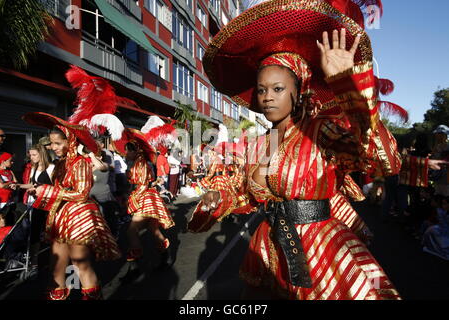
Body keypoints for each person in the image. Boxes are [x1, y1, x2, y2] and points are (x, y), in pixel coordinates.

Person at [187, 0, 411, 300]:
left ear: (300, 89)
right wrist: (216, 197)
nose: (267, 97)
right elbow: (240, 190)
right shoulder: (257, 145)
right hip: (268, 249)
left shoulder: (321, 132)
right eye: (262, 89)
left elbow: (383, 160)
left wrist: (347, 85)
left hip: (321, 252)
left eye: (278, 89)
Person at [23, 112, 121, 300]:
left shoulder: (81, 164)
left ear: (70, 142)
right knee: (56, 265)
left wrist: (47, 191)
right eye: (51, 143)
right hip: (60, 216)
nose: (53, 147)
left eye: (58, 143)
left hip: (79, 217)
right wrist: (39, 190)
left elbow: (82, 194)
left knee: (79, 263)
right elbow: (56, 189)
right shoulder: (60, 164)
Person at [116, 128, 175, 268]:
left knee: (131, 231)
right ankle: (164, 257)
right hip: (148, 197)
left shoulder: (140, 164)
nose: (126, 153)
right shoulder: (139, 162)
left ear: (136, 150)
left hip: (144, 198)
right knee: (153, 230)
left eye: (128, 150)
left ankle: (136, 265)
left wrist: (132, 201)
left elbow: (142, 185)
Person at [17, 144, 55, 275]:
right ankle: (34, 264)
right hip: (35, 205)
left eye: (34, 155)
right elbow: (32, 184)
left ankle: (56, 262)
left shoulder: (51, 168)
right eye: (30, 155)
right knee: (34, 234)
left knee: (50, 234)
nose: (31, 157)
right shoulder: (34, 167)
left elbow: (55, 188)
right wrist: (18, 186)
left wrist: (39, 191)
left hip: (48, 206)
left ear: (42, 154)